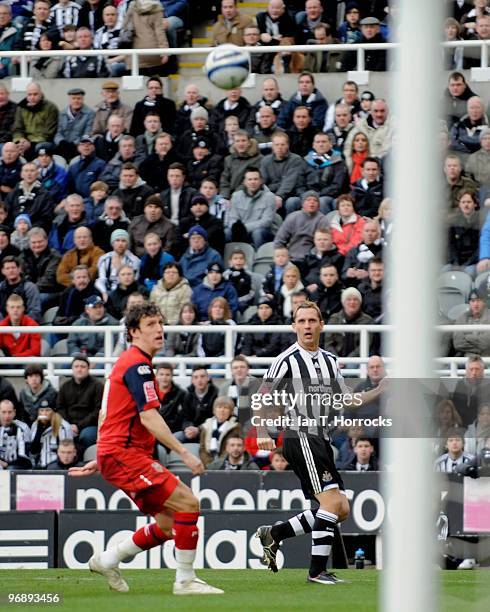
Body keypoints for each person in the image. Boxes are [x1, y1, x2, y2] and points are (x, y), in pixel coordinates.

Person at [69, 303, 224, 595]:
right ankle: (185, 580)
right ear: (133, 332)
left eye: (160, 323)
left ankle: (107, 559)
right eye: (151, 324)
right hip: (124, 454)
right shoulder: (137, 364)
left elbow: (107, 413)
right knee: (189, 503)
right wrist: (184, 452)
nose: (159, 329)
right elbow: (148, 416)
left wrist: (102, 455)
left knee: (168, 525)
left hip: (120, 454)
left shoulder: (131, 363)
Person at [254, 301, 384, 582]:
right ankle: (317, 571)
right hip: (300, 434)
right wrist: (262, 431)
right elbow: (262, 395)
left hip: (320, 439)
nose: (307, 326)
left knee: (341, 509)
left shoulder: (328, 361)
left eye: (312, 321)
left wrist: (378, 391)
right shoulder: (286, 360)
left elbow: (347, 400)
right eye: (301, 321)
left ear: (321, 324)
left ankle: (274, 533)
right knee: (329, 503)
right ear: (294, 327)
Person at [57, 354, 103, 449]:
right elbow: (60, 407)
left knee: (86, 436)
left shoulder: (97, 386)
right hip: (68, 424)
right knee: (55, 433)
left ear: (88, 368)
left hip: (89, 425)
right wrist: (68, 425)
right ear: (72, 369)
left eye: (83, 366)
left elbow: (98, 410)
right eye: (76, 366)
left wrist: (78, 426)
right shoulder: (65, 386)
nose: (79, 369)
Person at [274, 191, 328, 264]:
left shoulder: (322, 220)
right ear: (302, 204)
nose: (312, 202)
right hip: (290, 259)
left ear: (318, 205)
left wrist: (312, 256)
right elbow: (279, 239)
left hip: (310, 260)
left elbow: (323, 243)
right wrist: (282, 256)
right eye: (308, 200)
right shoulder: (292, 217)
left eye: (315, 200)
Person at [226, 167, 275, 248]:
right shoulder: (236, 196)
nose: (253, 182)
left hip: (262, 231)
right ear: (244, 182)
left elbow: (266, 221)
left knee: (257, 233)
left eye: (255, 179)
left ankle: (258, 258)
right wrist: (236, 228)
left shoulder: (269, 197)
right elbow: (232, 218)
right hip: (240, 232)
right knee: (227, 232)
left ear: (261, 181)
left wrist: (244, 228)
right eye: (250, 179)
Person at [260, 131, 307, 214]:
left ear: (287, 146)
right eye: (277, 145)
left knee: (290, 202)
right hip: (271, 194)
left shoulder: (296, 159)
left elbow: (289, 182)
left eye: (282, 144)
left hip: (291, 194)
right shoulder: (266, 160)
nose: (279, 147)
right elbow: (262, 182)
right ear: (272, 146)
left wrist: (279, 195)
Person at [120, 0, 170, 76]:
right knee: (154, 82)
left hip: (136, 50)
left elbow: (125, 26)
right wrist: (164, 51)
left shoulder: (132, 5)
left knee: (138, 84)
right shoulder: (157, 7)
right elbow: (159, 32)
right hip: (153, 51)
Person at [12, 83, 58, 162]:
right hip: (25, 141)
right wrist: (20, 141)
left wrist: (29, 144)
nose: (32, 97)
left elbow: (48, 133)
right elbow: (17, 129)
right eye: (29, 94)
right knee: (11, 148)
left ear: (40, 94)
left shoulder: (51, 108)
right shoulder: (21, 108)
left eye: (35, 94)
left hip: (44, 141)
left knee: (37, 148)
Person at [324, 287, 374, 357]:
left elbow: (365, 345)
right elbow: (328, 344)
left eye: (355, 299)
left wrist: (348, 360)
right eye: (349, 299)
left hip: (358, 360)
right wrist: (336, 358)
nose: (352, 302)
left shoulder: (367, 320)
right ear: (343, 302)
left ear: (360, 302)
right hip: (336, 358)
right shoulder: (334, 319)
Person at [4, 163, 53, 233]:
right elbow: (7, 213)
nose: (29, 174)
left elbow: (46, 218)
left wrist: (30, 228)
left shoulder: (45, 194)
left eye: (32, 171)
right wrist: (15, 227)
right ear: (21, 174)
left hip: (35, 232)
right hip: (14, 231)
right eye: (26, 171)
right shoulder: (13, 193)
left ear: (37, 173)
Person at [95, 229, 140, 301]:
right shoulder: (105, 259)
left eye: (123, 241)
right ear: (112, 243)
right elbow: (101, 280)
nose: (120, 244)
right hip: (108, 291)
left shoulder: (134, 260)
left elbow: (135, 280)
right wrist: (104, 293)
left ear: (127, 244)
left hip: (127, 292)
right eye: (117, 240)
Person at [446, 190, 480, 277]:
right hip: (456, 262)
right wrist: (456, 263)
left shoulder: (481, 222)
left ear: (475, 204)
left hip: (473, 263)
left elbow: (480, 248)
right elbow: (451, 245)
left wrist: (467, 264)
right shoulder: (454, 222)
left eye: (469, 202)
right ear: (459, 205)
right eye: (463, 202)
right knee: (444, 271)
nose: (466, 205)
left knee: (469, 273)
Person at [219, 130, 262, 200]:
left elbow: (248, 182)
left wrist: (234, 196)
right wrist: (225, 197)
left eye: (243, 141)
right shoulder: (228, 159)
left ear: (249, 143)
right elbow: (224, 180)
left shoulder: (258, 159)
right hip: (229, 196)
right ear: (234, 144)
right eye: (237, 141)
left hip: (248, 196)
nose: (240, 144)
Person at [30, 400, 72, 468]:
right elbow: (33, 451)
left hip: (57, 465)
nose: (44, 413)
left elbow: (67, 450)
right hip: (40, 464)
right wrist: (39, 431)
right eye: (42, 410)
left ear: (53, 411)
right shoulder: (35, 425)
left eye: (47, 410)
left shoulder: (63, 426)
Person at [199, 396, 240, 467]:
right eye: (219, 407)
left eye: (226, 408)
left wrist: (217, 465)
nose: (222, 410)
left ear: (231, 411)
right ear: (214, 410)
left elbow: (230, 450)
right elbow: (202, 449)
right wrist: (208, 465)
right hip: (207, 465)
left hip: (226, 465)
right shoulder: (206, 426)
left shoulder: (235, 427)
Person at [341, 219, 383, 288]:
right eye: (367, 231)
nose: (370, 233)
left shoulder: (384, 252)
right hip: (354, 288)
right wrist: (348, 273)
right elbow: (343, 274)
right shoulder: (353, 251)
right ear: (362, 234)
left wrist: (369, 274)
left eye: (373, 231)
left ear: (378, 234)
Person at [450, 355, 490, 427]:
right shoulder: (460, 384)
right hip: (463, 425)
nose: (474, 373)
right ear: (467, 371)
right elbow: (455, 407)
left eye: (477, 369)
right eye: (471, 369)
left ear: (482, 370)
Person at [0, 256, 41, 321]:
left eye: (13, 267)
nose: (11, 270)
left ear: (19, 269)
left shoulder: (30, 287)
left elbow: (35, 313)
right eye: (7, 268)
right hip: (4, 327)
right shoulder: (1, 287)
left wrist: (16, 323)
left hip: (25, 327)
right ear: (3, 271)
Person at [0, 294, 41, 358]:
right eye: (12, 307)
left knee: (33, 364)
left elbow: (35, 351)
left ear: (23, 308)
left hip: (26, 360)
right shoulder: (1, 326)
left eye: (18, 307)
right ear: (7, 309)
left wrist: (15, 357)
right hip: (8, 362)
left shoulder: (32, 324)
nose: (15, 310)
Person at [453, 287, 490, 356]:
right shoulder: (462, 317)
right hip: (467, 358)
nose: (476, 304)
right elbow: (458, 344)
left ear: (484, 302)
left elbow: (487, 343)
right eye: (473, 301)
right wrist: (479, 349)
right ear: (469, 303)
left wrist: (467, 337)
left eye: (478, 300)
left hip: (487, 357)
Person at [0, 399, 32, 470]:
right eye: (4, 412)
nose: (7, 416)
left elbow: (25, 457)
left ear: (14, 412)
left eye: (9, 412)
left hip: (17, 466)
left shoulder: (22, 428)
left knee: (11, 469)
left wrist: (6, 464)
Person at [155, 363, 186, 436]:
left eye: (167, 375)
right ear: (156, 376)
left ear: (172, 376)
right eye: (161, 374)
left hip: (172, 431)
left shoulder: (181, 394)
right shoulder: (150, 392)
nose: (164, 377)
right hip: (153, 429)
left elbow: (182, 416)